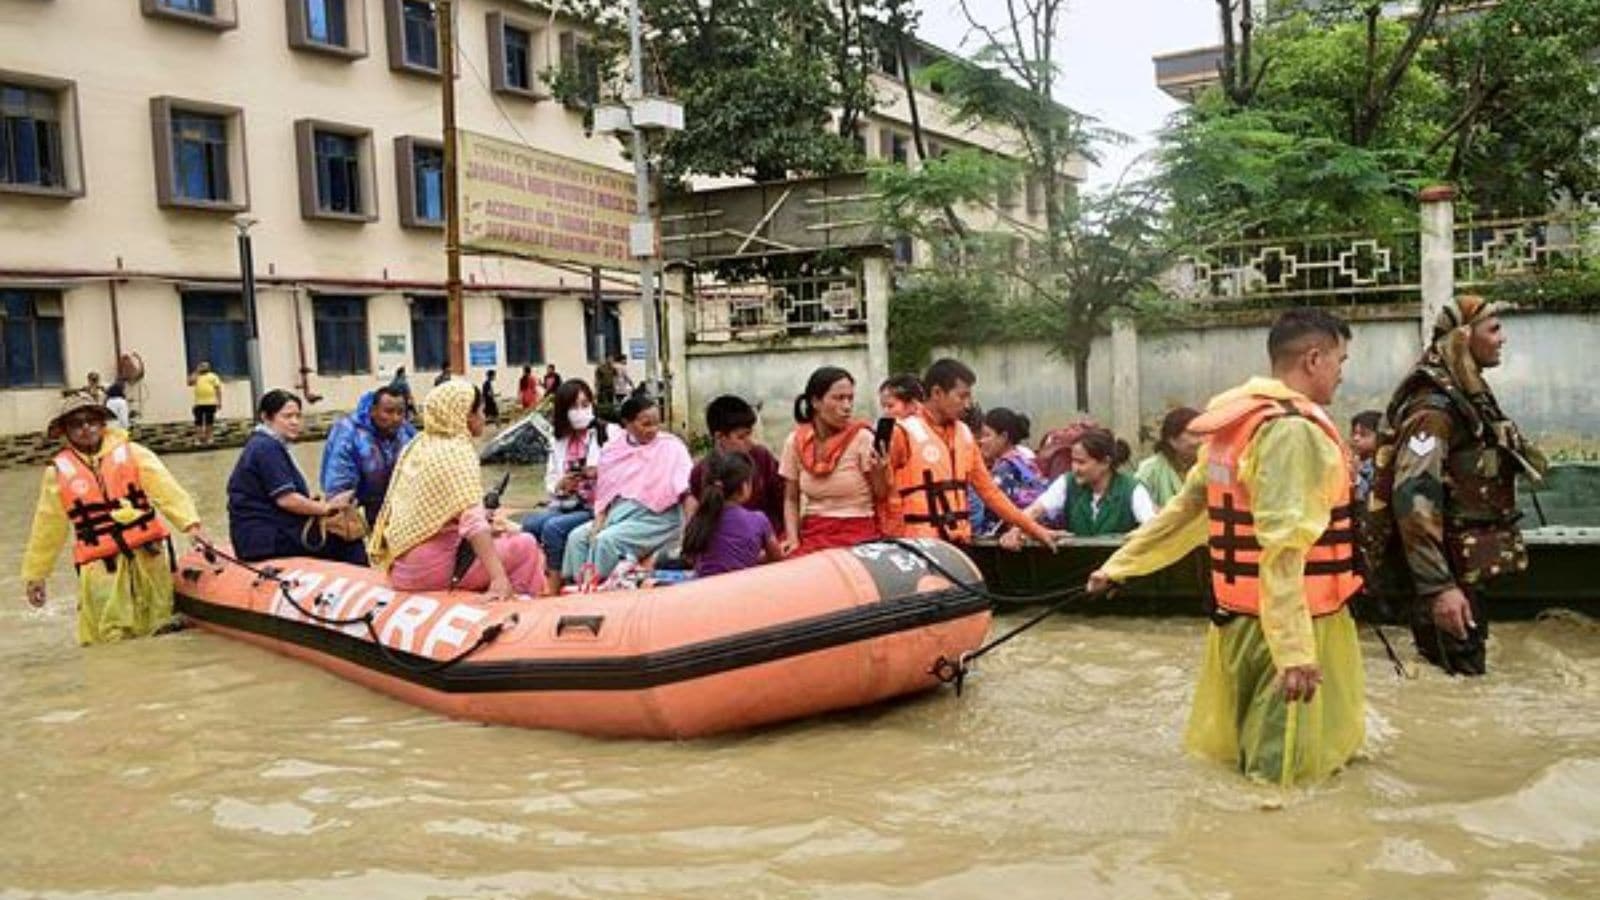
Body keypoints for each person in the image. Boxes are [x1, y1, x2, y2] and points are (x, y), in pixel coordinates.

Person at [1086, 308, 1365, 787]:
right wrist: (1294, 652)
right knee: (1283, 776)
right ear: (1314, 359)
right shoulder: (1291, 430)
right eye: (1340, 359)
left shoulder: (1237, 423)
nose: (1342, 372)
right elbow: (1283, 544)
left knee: (1246, 761)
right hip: (1290, 626)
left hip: (1238, 624)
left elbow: (1187, 509)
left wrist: (1118, 565)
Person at [1386, 295, 1545, 676]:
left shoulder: (1468, 400)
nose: (1502, 338)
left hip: (1462, 573)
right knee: (1457, 673)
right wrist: (1438, 587)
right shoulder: (1433, 410)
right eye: (1493, 329)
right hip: (1444, 578)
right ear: (1462, 338)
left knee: (1464, 678)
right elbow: (1412, 499)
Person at [21, 393, 205, 645]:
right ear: (65, 431)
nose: (86, 428)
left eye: (91, 420)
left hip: (147, 555)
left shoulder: (134, 453)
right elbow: (47, 527)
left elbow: (167, 491)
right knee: (110, 635)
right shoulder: (57, 472)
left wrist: (191, 525)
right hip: (100, 566)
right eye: (76, 423)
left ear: (102, 423)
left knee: (159, 624)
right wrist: (36, 575)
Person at [367, 381, 544, 600]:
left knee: (497, 533)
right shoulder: (458, 451)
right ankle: (516, 604)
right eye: (479, 410)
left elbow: (428, 510)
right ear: (465, 415)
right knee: (525, 544)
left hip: (401, 569)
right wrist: (499, 578)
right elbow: (473, 524)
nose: (483, 416)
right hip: (430, 572)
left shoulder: (416, 446)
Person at [884, 358, 1056, 548]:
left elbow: (990, 493)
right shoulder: (902, 433)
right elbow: (880, 493)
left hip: (957, 547)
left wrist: (1034, 529)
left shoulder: (964, 435)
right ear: (937, 393)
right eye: (962, 396)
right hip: (916, 546)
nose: (967, 405)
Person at [227, 390, 366, 565]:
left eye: (297, 416)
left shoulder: (264, 444)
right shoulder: (266, 448)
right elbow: (286, 500)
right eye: (287, 416)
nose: (294, 422)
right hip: (265, 539)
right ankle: (368, 584)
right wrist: (327, 507)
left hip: (263, 534)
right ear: (266, 417)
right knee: (347, 540)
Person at [562, 394, 692, 581]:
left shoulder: (672, 447)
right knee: (577, 538)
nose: (653, 430)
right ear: (627, 424)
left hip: (656, 519)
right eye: (646, 424)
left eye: (656, 423)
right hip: (617, 514)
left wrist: (689, 533)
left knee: (606, 541)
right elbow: (605, 495)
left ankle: (600, 590)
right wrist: (598, 523)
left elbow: (686, 490)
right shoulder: (613, 449)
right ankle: (580, 586)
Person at [521, 379, 618, 594]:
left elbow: (622, 472)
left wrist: (597, 472)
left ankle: (555, 585)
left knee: (553, 528)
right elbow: (550, 481)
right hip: (570, 503)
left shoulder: (608, 433)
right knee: (530, 524)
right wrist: (562, 485)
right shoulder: (559, 440)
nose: (581, 411)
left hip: (597, 507)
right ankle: (541, 575)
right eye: (574, 407)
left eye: (585, 405)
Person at [779, 367, 888, 555]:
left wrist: (880, 471)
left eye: (850, 398)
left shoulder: (862, 438)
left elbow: (881, 494)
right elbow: (790, 498)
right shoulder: (795, 442)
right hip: (812, 531)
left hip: (858, 533)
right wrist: (792, 538)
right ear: (815, 402)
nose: (847, 406)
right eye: (839, 398)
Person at [1001, 427, 1155, 547]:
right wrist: (1016, 529)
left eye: (1081, 462)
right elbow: (1035, 509)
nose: (1075, 468)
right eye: (1073, 461)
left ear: (1105, 463)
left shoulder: (1132, 490)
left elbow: (1152, 527)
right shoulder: (1067, 483)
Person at [685, 395, 785, 533]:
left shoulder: (762, 458)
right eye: (741, 437)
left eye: (750, 434)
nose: (750, 441)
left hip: (769, 538)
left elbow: (784, 501)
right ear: (719, 437)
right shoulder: (700, 473)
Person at [319, 386, 417, 525]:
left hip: (393, 500)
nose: (395, 418)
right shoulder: (349, 432)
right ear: (373, 411)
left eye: (400, 412)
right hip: (355, 496)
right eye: (388, 412)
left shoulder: (405, 431)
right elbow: (338, 482)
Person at [682, 451, 782, 577]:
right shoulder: (759, 519)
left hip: (703, 589)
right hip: (741, 589)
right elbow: (776, 557)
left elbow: (691, 558)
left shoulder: (700, 519)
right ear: (744, 487)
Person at [970, 407, 1047, 537]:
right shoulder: (1025, 460)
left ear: (1004, 437)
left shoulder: (1003, 470)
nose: (981, 441)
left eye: (987, 435)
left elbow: (992, 518)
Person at [1135, 406, 1201, 510]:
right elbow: (1138, 504)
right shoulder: (1149, 469)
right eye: (1193, 434)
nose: (1200, 440)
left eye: (1202, 433)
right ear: (1172, 440)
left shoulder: (1208, 466)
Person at [187, 361, 223, 446]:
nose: (204, 367)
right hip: (199, 403)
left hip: (211, 403)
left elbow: (218, 389)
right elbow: (189, 382)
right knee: (198, 422)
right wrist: (196, 371)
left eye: (205, 366)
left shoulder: (213, 376)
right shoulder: (197, 376)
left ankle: (209, 438)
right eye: (202, 366)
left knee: (209, 422)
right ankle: (199, 439)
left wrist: (219, 402)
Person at [1349, 409, 1381, 504]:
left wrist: (1356, 479)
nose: (1356, 438)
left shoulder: (1379, 467)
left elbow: (1371, 496)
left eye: (1363, 435)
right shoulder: (1352, 459)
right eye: (1354, 433)